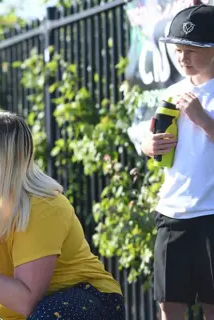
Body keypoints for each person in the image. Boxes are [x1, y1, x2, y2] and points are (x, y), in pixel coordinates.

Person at [0, 111, 125, 320]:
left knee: (46, 315)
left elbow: (26, 301)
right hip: (18, 312)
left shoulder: (42, 206)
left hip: (85, 301)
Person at [141, 5, 214, 320]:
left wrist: (202, 118)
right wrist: (150, 145)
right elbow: (150, 143)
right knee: (169, 304)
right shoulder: (172, 92)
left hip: (212, 213)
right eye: (179, 50)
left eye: (192, 50)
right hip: (172, 213)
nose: (183, 57)